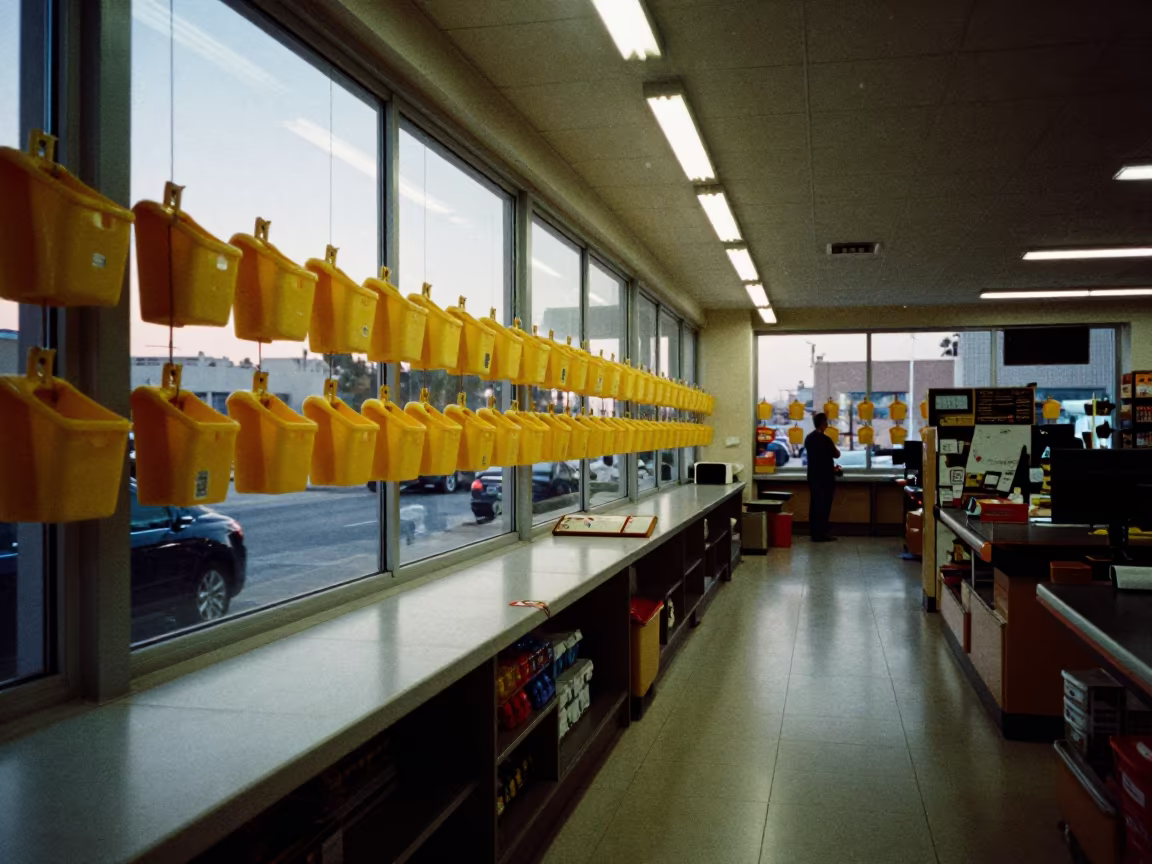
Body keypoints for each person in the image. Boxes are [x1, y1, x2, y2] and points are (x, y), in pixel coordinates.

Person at [805, 413, 840, 542]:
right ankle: (822, 533)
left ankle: (814, 532)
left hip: (813, 476)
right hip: (826, 477)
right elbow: (836, 454)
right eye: (826, 422)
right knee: (824, 505)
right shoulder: (825, 439)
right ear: (824, 424)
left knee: (814, 504)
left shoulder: (809, 438)